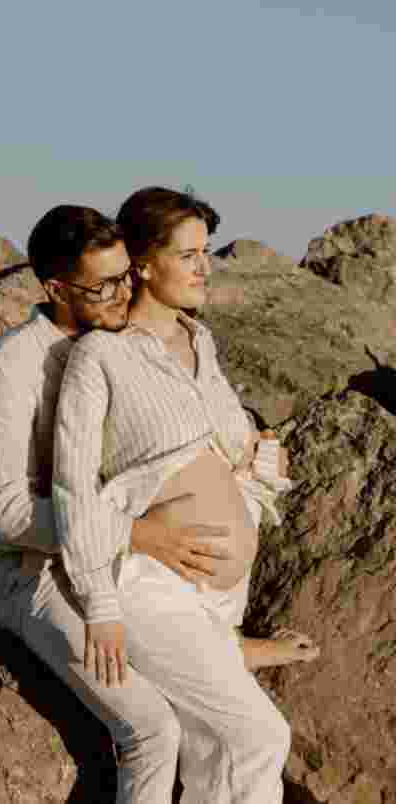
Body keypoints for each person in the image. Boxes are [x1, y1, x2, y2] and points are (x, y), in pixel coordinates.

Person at [0, 204, 252, 804]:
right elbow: (10, 515)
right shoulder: (4, 369)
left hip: (103, 551)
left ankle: (230, 646)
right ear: (56, 288)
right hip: (23, 568)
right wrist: (136, 535)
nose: (123, 293)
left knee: (221, 717)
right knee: (152, 728)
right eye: (102, 285)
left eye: (125, 275)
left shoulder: (119, 346)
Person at [51, 187, 319, 803]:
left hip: (217, 602)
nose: (205, 267)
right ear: (143, 263)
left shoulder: (203, 344)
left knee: (219, 755)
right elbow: (72, 487)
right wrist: (100, 606)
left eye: (207, 253)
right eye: (189, 254)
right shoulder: (102, 356)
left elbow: (243, 455)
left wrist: (261, 459)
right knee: (256, 737)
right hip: (149, 588)